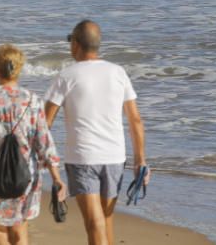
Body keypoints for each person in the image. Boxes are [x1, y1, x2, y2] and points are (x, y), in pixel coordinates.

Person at [44, 20, 149, 245]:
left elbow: (44, 124)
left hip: (83, 158)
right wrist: (140, 161)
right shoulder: (118, 73)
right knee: (104, 220)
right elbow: (136, 120)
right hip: (114, 158)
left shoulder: (66, 76)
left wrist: (44, 162)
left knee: (94, 223)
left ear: (76, 44)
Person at [0, 44, 67, 245]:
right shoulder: (33, 101)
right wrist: (56, 177)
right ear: (19, 68)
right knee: (20, 231)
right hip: (25, 176)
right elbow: (44, 141)